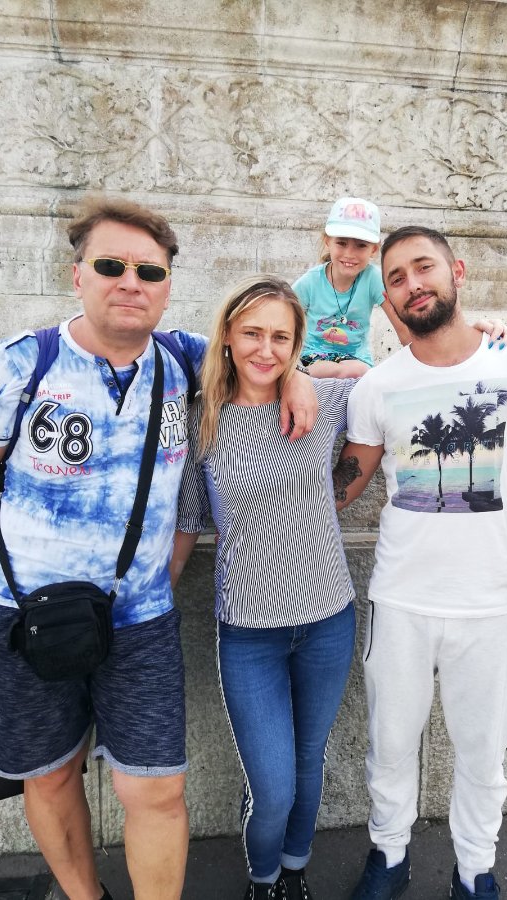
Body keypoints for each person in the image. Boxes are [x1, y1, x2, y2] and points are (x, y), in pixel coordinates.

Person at [0, 198, 317, 900]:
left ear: (168, 285)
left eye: (149, 271)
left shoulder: (183, 361)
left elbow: (261, 354)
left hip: (139, 619)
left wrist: (297, 373)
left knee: (158, 790)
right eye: (111, 265)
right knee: (49, 775)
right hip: (27, 615)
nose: (130, 282)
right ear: (78, 274)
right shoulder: (23, 364)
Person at [333, 226, 507, 900]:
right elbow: (343, 486)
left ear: (457, 272)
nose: (412, 284)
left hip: (485, 603)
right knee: (389, 745)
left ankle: (474, 872)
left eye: (424, 268)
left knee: (482, 754)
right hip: (400, 599)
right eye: (395, 277)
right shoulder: (377, 386)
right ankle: (388, 858)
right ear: (386, 298)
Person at [169, 275, 359, 900]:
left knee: (309, 765)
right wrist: (152, 605)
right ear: (227, 334)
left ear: (297, 343)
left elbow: (394, 374)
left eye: (282, 337)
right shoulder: (201, 418)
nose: (266, 349)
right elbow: (188, 524)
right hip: (249, 631)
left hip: (327, 619)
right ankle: (264, 879)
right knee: (273, 785)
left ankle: (295, 873)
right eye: (252, 332)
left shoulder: (322, 402)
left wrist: (305, 375)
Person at [293, 197, 412, 379]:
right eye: (341, 243)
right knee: (320, 371)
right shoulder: (310, 282)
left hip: (356, 360)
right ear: (328, 241)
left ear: (373, 249)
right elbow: (283, 320)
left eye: (361, 245)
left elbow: (402, 326)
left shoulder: (373, 279)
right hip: (313, 357)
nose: (349, 254)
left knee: (358, 371)